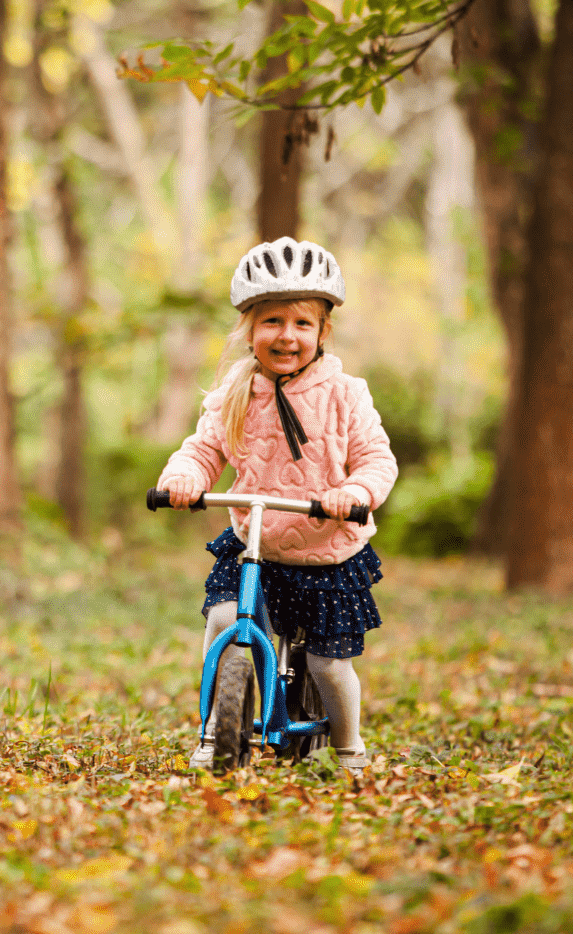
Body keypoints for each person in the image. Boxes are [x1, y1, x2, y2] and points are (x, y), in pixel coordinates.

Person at [155, 237, 398, 774]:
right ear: (249, 330)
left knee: (329, 665)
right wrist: (183, 478)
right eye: (271, 322)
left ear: (322, 332)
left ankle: (350, 747)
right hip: (257, 544)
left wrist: (353, 494)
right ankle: (212, 731)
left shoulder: (346, 395)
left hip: (327, 551)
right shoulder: (232, 395)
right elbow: (203, 449)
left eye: (302, 323)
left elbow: (377, 461)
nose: (286, 336)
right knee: (222, 620)